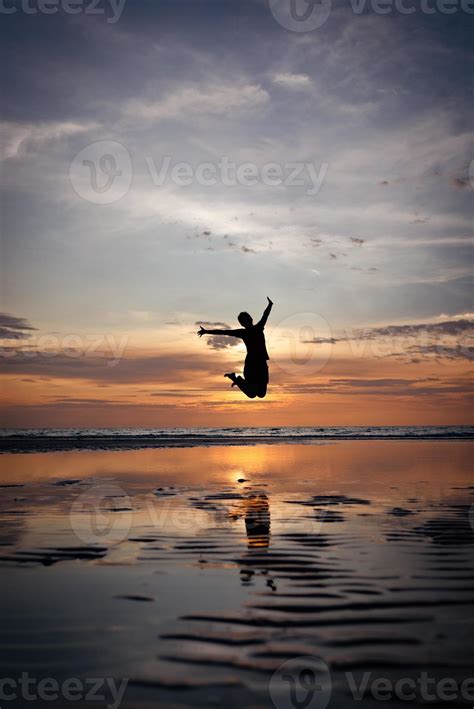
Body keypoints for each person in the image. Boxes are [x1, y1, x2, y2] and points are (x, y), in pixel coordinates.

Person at [198, 297, 273, 399]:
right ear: (243, 323)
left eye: (247, 318)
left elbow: (265, 315)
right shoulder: (245, 332)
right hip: (251, 365)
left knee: (261, 394)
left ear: (250, 319)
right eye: (244, 321)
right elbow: (224, 332)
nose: (247, 321)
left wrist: (270, 305)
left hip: (261, 364)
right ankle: (236, 378)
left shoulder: (258, 328)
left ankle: (237, 379)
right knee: (252, 394)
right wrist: (206, 331)